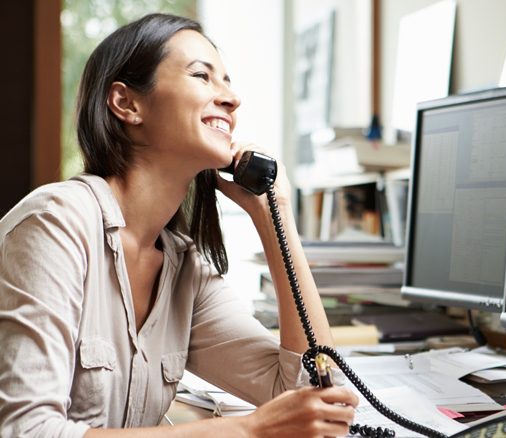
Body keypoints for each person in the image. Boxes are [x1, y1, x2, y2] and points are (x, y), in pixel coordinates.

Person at [0, 13, 358, 437]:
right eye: (202, 76)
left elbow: (316, 391)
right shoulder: (54, 223)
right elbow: (27, 431)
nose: (231, 98)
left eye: (227, 80)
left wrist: (274, 215)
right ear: (127, 104)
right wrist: (247, 430)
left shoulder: (183, 268)